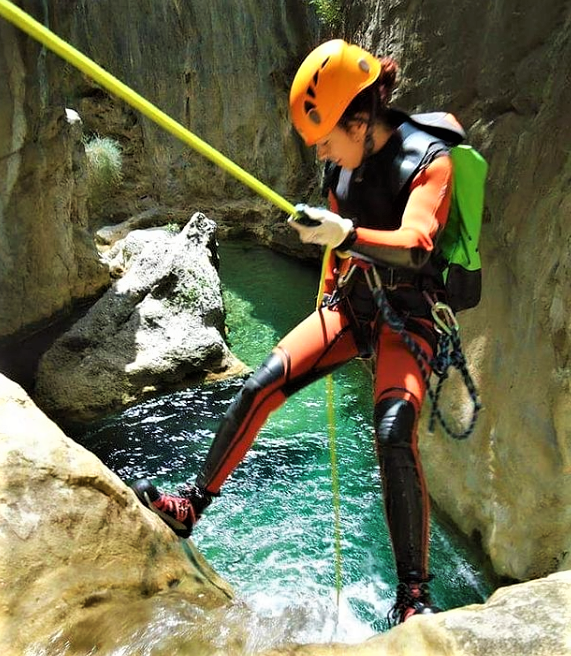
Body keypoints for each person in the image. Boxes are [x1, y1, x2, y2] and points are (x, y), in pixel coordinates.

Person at [133, 39, 454, 625]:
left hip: (407, 317)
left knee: (392, 428)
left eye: (327, 137)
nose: (322, 150)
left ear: (360, 118)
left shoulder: (428, 160)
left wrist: (345, 233)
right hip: (352, 307)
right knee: (261, 383)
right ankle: (191, 505)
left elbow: (415, 245)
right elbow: (338, 245)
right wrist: (330, 269)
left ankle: (413, 595)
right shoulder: (340, 167)